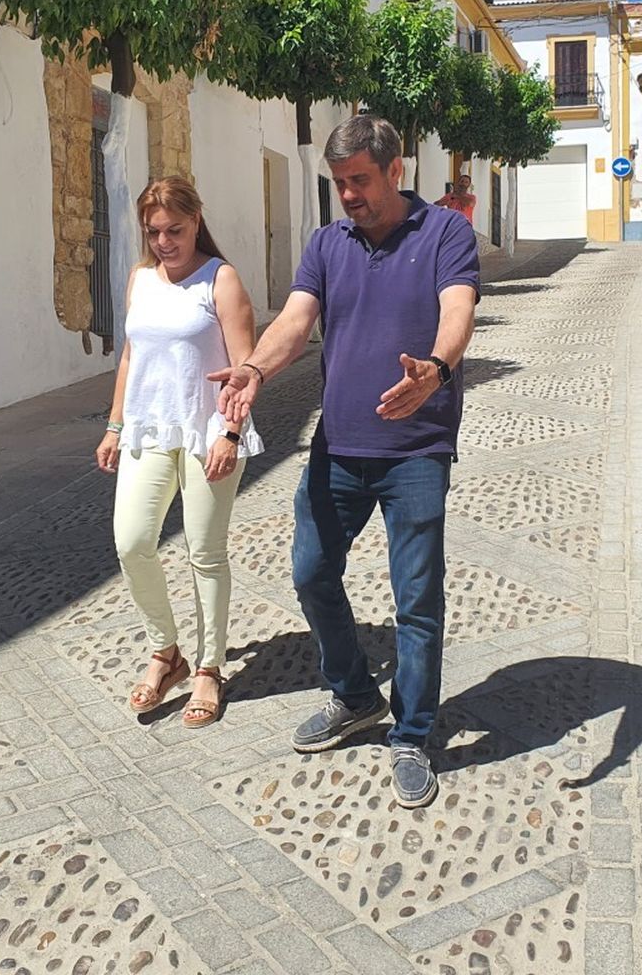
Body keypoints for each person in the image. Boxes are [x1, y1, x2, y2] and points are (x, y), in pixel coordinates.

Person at [211, 114, 479, 808]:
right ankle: (356, 695)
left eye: (360, 180)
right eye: (339, 184)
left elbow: (458, 312)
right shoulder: (328, 243)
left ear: (396, 171)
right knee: (310, 572)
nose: (349, 196)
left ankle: (413, 733)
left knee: (417, 600)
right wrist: (255, 369)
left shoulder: (446, 233)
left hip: (416, 451)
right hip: (338, 448)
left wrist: (437, 372)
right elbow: (296, 321)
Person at [96, 178, 262, 728]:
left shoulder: (221, 280)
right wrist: (115, 425)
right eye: (154, 232)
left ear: (196, 221)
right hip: (149, 430)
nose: (164, 241)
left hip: (207, 431)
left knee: (204, 552)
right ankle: (166, 652)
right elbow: (130, 357)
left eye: (175, 230)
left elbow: (244, 371)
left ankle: (210, 668)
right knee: (132, 541)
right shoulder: (140, 279)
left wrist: (231, 434)